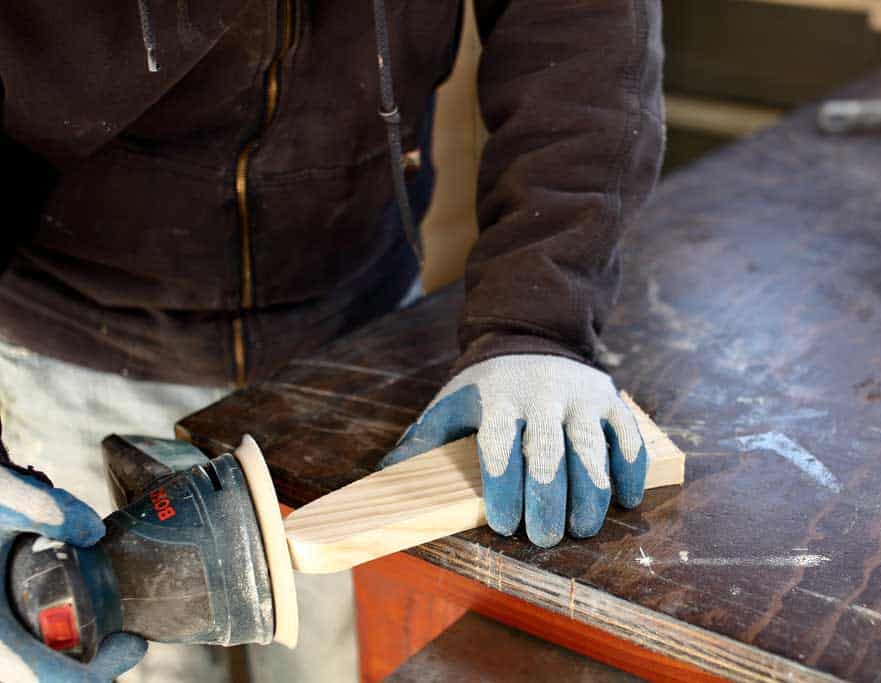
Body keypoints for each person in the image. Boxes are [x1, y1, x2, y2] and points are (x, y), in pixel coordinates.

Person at [0, 1, 665, 681]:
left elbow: (582, 25)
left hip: (350, 344)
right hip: (75, 326)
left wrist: (539, 318)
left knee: (350, 662)